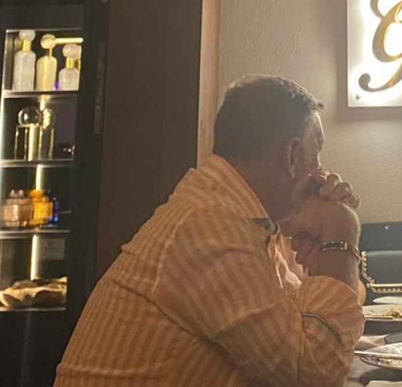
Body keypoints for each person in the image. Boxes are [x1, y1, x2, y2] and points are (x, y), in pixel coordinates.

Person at [56, 75, 365, 387]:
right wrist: (342, 231)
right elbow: (313, 375)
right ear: (292, 156)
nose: (321, 172)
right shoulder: (211, 227)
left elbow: (296, 325)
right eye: (317, 153)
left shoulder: (232, 216)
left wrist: (323, 253)